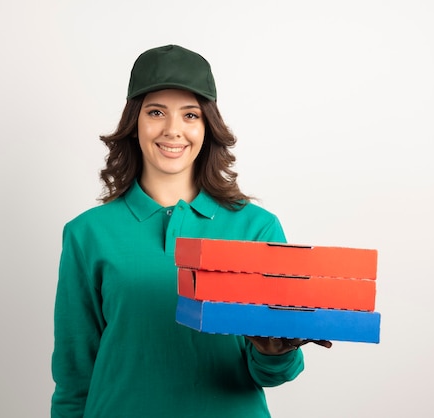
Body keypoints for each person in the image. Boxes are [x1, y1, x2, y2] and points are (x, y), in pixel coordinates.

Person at [51, 44, 331, 418]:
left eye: (190, 115)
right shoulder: (87, 234)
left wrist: (274, 351)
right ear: (135, 124)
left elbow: (271, 371)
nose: (173, 130)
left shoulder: (256, 227)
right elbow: (74, 375)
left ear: (206, 127)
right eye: (156, 112)